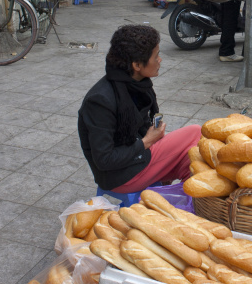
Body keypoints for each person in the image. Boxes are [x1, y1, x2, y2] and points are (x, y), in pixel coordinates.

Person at [78, 25, 201, 193]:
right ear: (137, 64)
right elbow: (104, 159)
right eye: (156, 56)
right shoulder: (100, 100)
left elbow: (140, 126)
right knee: (195, 132)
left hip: (138, 159)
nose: (160, 60)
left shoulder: (138, 85)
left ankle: (187, 208)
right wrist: (147, 141)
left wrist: (151, 138)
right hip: (120, 177)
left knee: (194, 158)